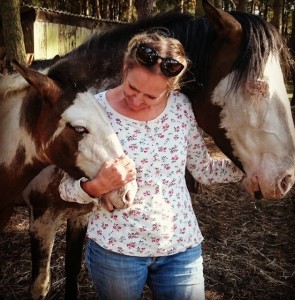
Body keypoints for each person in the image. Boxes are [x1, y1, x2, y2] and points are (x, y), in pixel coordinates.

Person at [59, 31, 244, 300]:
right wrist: (97, 186)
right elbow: (64, 187)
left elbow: (203, 168)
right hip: (116, 252)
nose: (136, 100)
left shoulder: (181, 108)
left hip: (180, 248)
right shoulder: (93, 111)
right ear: (124, 68)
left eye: (151, 96)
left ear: (170, 89)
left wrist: (248, 166)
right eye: (132, 88)